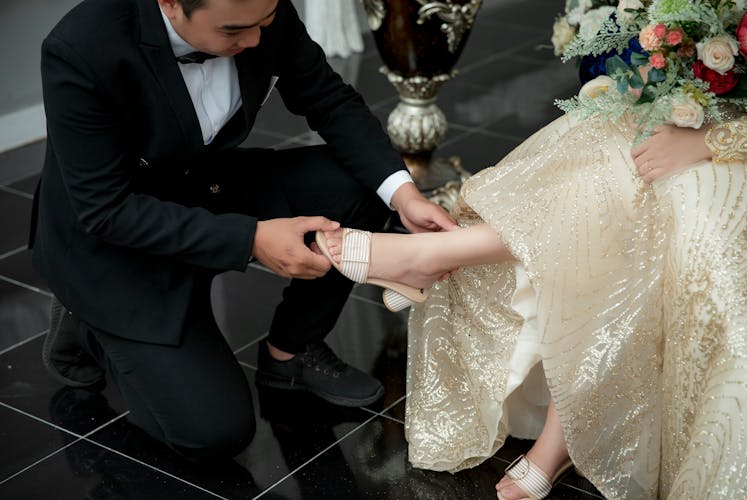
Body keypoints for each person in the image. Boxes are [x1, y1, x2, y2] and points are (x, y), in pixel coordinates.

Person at [32, 0, 455, 461]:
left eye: (265, 25)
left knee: (361, 185)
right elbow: (105, 209)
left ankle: (289, 354)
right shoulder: (80, 48)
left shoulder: (257, 7)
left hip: (201, 180)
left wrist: (403, 195)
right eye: (235, 31)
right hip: (117, 233)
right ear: (171, 4)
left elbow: (330, 101)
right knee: (214, 434)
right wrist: (251, 238)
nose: (255, 41)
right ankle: (84, 321)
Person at [316, 107, 747, 499]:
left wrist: (710, 141)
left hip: (731, 145)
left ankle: (428, 259)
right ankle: (428, 259)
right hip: (703, 110)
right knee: (601, 159)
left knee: (643, 194)